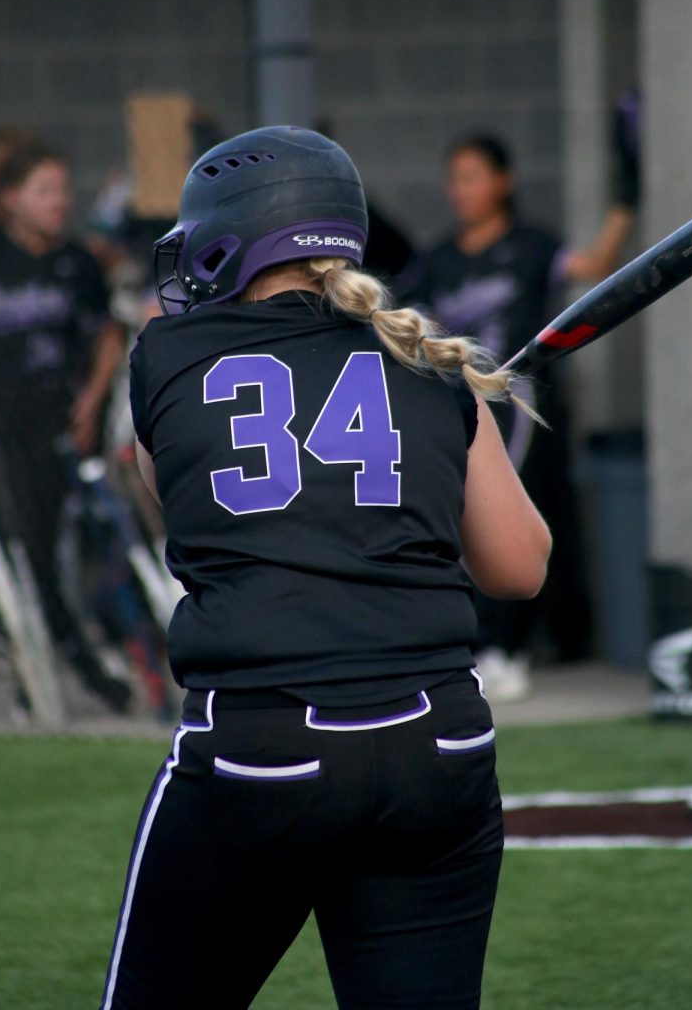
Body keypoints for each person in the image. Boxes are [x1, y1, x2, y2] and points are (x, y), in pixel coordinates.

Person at [99, 126, 551, 1009]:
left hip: (263, 753)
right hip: (439, 749)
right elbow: (518, 568)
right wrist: (463, 419)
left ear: (229, 238)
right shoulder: (429, 363)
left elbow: (180, 497)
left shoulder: (167, 354)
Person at [407, 134, 635, 696]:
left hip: (523, 404)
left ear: (502, 182)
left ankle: (508, 647)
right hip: (467, 408)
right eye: (454, 179)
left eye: (471, 177)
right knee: (464, 517)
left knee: (512, 517)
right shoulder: (438, 260)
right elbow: (410, 322)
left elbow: (599, 266)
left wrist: (626, 198)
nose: (460, 191)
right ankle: (485, 644)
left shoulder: (533, 246)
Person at [0, 139, 131, 711]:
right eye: (45, 191)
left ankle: (43, 666)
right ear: (11, 200)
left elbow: (107, 334)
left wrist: (90, 401)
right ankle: (41, 655)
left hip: (51, 423)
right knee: (7, 544)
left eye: (63, 190)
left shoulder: (75, 264)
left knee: (45, 549)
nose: (61, 203)